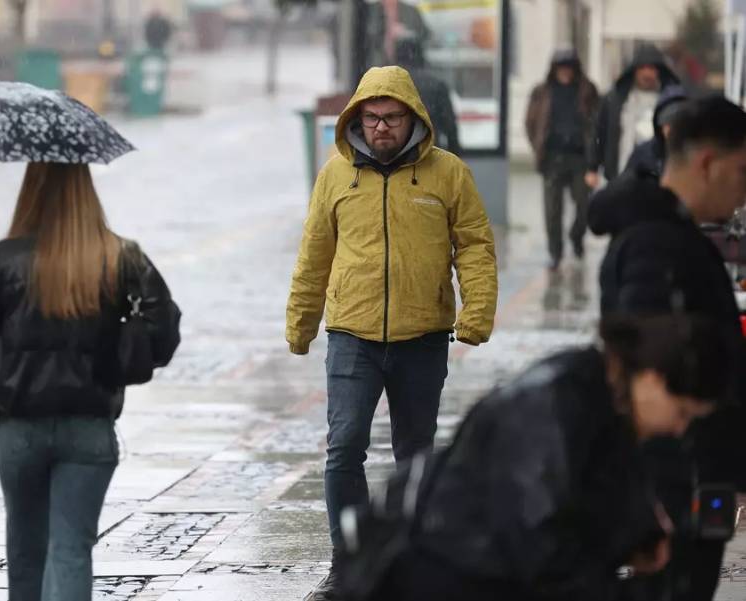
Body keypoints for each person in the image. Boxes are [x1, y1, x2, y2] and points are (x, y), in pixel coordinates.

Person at [286, 65, 498, 600]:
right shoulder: (335, 175)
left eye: (392, 117)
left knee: (416, 455)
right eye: (372, 118)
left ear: (413, 119)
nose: (381, 127)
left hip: (422, 337)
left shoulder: (447, 173)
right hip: (351, 335)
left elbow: (474, 244)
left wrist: (476, 313)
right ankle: (346, 565)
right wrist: (301, 321)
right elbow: (315, 253)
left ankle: (411, 562)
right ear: (358, 119)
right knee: (344, 448)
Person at [342, 312, 732, 601]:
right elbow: (542, 547)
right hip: (439, 574)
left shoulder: (606, 395)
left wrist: (638, 538)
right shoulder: (558, 402)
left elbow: (589, 495)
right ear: (653, 380)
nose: (680, 428)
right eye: (681, 412)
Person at [0, 162, 181, 601]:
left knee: (25, 550)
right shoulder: (120, 255)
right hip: (89, 425)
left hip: (19, 425)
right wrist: (118, 348)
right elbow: (163, 335)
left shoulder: (5, 258)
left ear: (30, 192)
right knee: (72, 550)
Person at [589, 95, 746, 601]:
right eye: (742, 170)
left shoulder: (676, 236)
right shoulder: (655, 244)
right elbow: (647, 377)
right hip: (678, 480)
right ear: (707, 162)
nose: (745, 188)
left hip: (704, 474)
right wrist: (652, 500)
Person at [525, 49, 601, 270]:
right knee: (552, 210)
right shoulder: (542, 92)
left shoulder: (587, 90)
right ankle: (555, 253)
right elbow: (531, 122)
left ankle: (576, 237)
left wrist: (594, 158)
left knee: (585, 205)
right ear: (555, 68)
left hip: (580, 158)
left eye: (569, 67)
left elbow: (598, 123)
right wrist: (538, 146)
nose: (566, 71)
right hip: (552, 157)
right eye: (562, 67)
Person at [587, 44, 679, 186]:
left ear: (659, 71)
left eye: (651, 68)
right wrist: (592, 167)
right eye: (643, 68)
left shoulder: (671, 102)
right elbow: (600, 131)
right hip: (621, 174)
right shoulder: (615, 100)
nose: (647, 74)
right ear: (634, 70)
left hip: (660, 178)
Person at [394, 38, 461, 154]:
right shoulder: (436, 84)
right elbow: (450, 126)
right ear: (420, 55)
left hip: (395, 154)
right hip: (428, 152)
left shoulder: (389, 83)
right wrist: (454, 158)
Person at [621, 84, 688, 180]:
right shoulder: (643, 155)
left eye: (679, 122)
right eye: (668, 122)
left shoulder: (697, 155)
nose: (673, 129)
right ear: (660, 125)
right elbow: (624, 188)